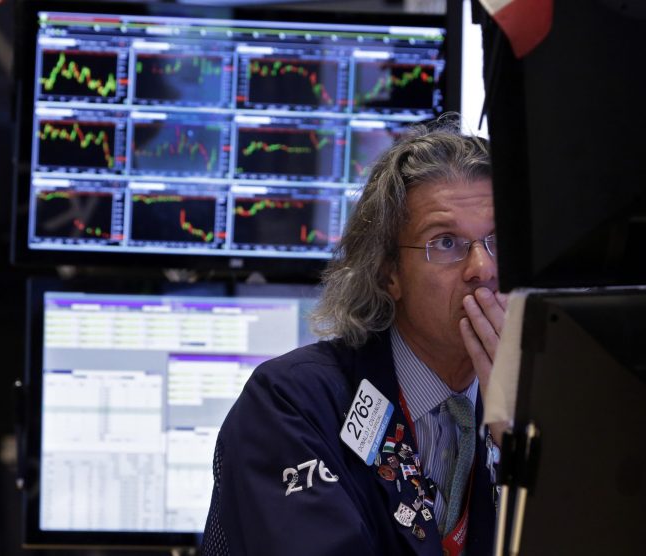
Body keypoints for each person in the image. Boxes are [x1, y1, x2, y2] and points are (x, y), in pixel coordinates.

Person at [201, 119, 507, 555]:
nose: (483, 268)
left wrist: (517, 447)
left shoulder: (533, 411)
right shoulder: (292, 405)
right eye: (445, 243)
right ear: (387, 273)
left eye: (499, 240)